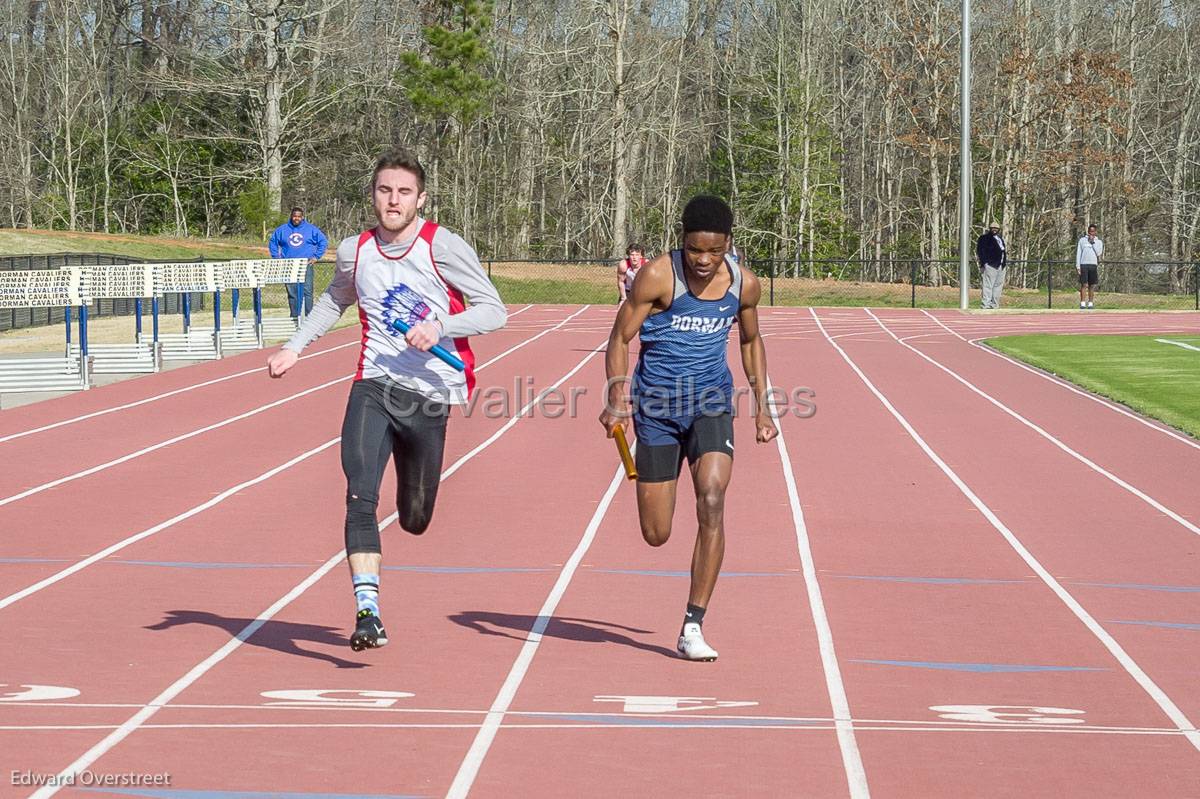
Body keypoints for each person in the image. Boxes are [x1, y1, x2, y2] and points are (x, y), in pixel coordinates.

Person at [266, 149, 507, 651]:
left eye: (403, 192)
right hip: (374, 383)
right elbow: (336, 299)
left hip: (431, 394)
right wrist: (294, 347)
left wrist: (440, 325)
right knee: (359, 496)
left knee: (415, 517)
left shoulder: (443, 246)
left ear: (420, 198)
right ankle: (368, 612)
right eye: (384, 190)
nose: (392, 200)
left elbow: (494, 312)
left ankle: (409, 496)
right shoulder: (356, 251)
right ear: (372, 194)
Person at [598, 195, 778, 662]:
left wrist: (762, 407)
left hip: (711, 405)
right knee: (656, 534)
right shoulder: (658, 276)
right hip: (656, 411)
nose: (703, 260)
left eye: (713, 251)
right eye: (695, 249)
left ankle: (693, 625)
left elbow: (752, 341)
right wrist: (618, 397)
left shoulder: (744, 285)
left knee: (713, 500)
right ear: (683, 242)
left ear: (728, 246)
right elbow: (619, 338)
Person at [269, 206, 329, 317]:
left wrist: (316, 256)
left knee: (307, 291)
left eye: (299, 216)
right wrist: (277, 257)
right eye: (294, 216)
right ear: (291, 216)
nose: (296, 218)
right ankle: (295, 316)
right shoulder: (282, 230)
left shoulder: (311, 229)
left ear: (302, 217)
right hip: (288, 264)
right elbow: (273, 242)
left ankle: (308, 316)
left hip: (306, 263)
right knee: (292, 292)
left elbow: (323, 242)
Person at [976, 221, 1007, 309]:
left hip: (1001, 265)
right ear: (989, 228)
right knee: (988, 285)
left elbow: (1003, 252)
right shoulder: (984, 238)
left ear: (999, 229)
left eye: (996, 228)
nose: (994, 230)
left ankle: (994, 304)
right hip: (990, 265)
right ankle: (985, 304)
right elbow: (980, 251)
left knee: (998, 286)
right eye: (992, 228)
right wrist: (984, 263)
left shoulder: (1000, 239)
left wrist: (1003, 263)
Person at [1076, 224, 1103, 309]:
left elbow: (1099, 253)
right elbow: (1078, 253)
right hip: (1083, 264)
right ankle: (1083, 303)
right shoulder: (1082, 240)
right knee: (1084, 284)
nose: (1091, 233)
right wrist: (1078, 266)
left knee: (1092, 285)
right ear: (1088, 231)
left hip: (1093, 265)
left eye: (1093, 231)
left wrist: (1093, 242)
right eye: (1090, 231)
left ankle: (1090, 303)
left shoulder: (1099, 242)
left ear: (1095, 232)